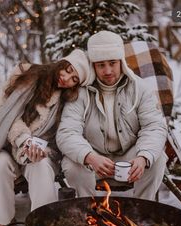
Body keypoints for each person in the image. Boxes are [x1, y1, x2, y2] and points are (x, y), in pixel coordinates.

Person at [0, 49, 91, 226]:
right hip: (7, 142)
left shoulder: (67, 100)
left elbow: (60, 134)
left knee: (41, 166)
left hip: (42, 149)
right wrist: (23, 140)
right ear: (61, 63)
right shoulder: (25, 75)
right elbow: (7, 117)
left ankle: (42, 223)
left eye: (74, 78)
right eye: (67, 70)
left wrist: (39, 149)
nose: (66, 78)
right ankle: (3, 220)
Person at [56, 30, 168, 200]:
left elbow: (154, 126)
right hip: (94, 158)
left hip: (129, 157)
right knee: (72, 164)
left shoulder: (140, 88)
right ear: (93, 65)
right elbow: (67, 132)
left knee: (156, 159)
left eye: (112, 63)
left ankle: (142, 211)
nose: (107, 71)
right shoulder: (80, 93)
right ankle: (87, 212)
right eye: (101, 64)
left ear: (121, 62)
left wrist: (143, 157)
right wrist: (89, 156)